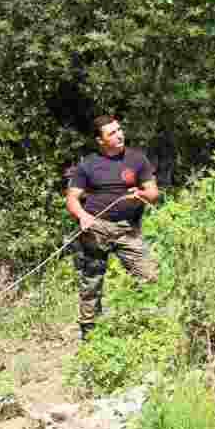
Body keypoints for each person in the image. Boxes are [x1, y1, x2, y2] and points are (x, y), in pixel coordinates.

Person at [66, 115, 159, 340]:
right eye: (112, 133)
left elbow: (153, 193)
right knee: (91, 282)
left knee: (149, 276)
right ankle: (90, 335)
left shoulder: (137, 159)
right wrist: (82, 216)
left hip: (128, 230)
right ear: (100, 140)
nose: (119, 135)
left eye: (119, 130)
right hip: (95, 228)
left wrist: (140, 193)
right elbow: (72, 199)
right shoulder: (87, 165)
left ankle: (150, 329)